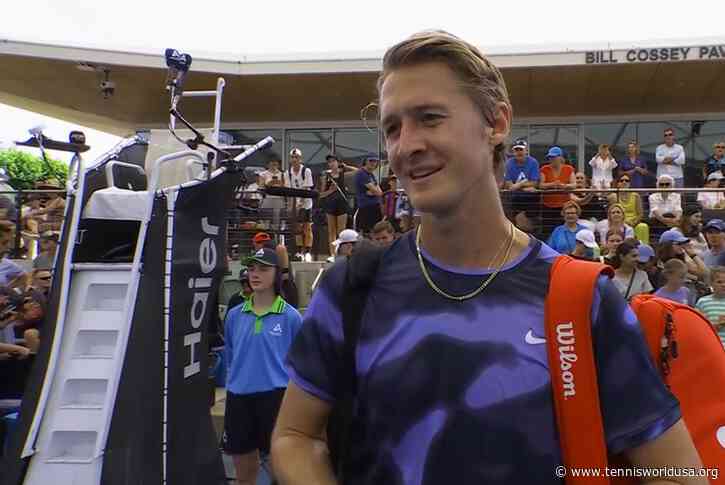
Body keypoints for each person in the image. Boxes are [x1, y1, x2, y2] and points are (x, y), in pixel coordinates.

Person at [271, 30, 704, 485]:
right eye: (393, 128)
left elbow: (676, 472)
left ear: (496, 124)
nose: (405, 145)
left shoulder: (580, 297)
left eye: (430, 118)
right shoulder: (352, 287)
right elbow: (296, 435)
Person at [222, 247, 302, 485]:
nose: (254, 274)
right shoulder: (235, 315)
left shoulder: (291, 317)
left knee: (279, 468)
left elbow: (299, 364)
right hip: (239, 397)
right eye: (251, 268)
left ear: (277, 274)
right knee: (244, 469)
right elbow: (231, 355)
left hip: (276, 398)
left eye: (263, 269)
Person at [319, 155, 357, 257]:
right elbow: (321, 194)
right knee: (331, 231)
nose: (332, 164)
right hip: (330, 204)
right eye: (329, 162)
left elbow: (358, 171)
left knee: (341, 231)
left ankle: (341, 253)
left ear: (338, 162)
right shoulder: (326, 176)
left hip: (342, 204)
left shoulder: (343, 174)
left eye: (333, 161)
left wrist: (346, 166)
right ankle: (332, 254)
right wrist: (330, 191)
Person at [284, 148, 315, 261]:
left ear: (300, 159)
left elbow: (307, 188)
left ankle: (307, 252)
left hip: (306, 204)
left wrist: (300, 203)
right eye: (292, 157)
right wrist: (292, 205)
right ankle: (299, 251)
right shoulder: (288, 173)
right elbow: (289, 190)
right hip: (294, 205)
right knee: (297, 228)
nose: (294, 159)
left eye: (296, 157)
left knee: (307, 228)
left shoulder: (306, 171)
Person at [694, 265, 725, 348]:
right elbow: (697, 326)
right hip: (711, 345)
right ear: (711, 284)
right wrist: (717, 326)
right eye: (719, 282)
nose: (723, 285)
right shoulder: (703, 302)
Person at [353, 155, 384, 236]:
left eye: (375, 161)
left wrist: (372, 191)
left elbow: (380, 192)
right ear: (365, 161)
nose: (373, 163)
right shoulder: (361, 174)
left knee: (377, 231)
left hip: (375, 206)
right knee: (368, 233)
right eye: (371, 161)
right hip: (366, 207)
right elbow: (377, 192)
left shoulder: (371, 175)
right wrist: (373, 191)